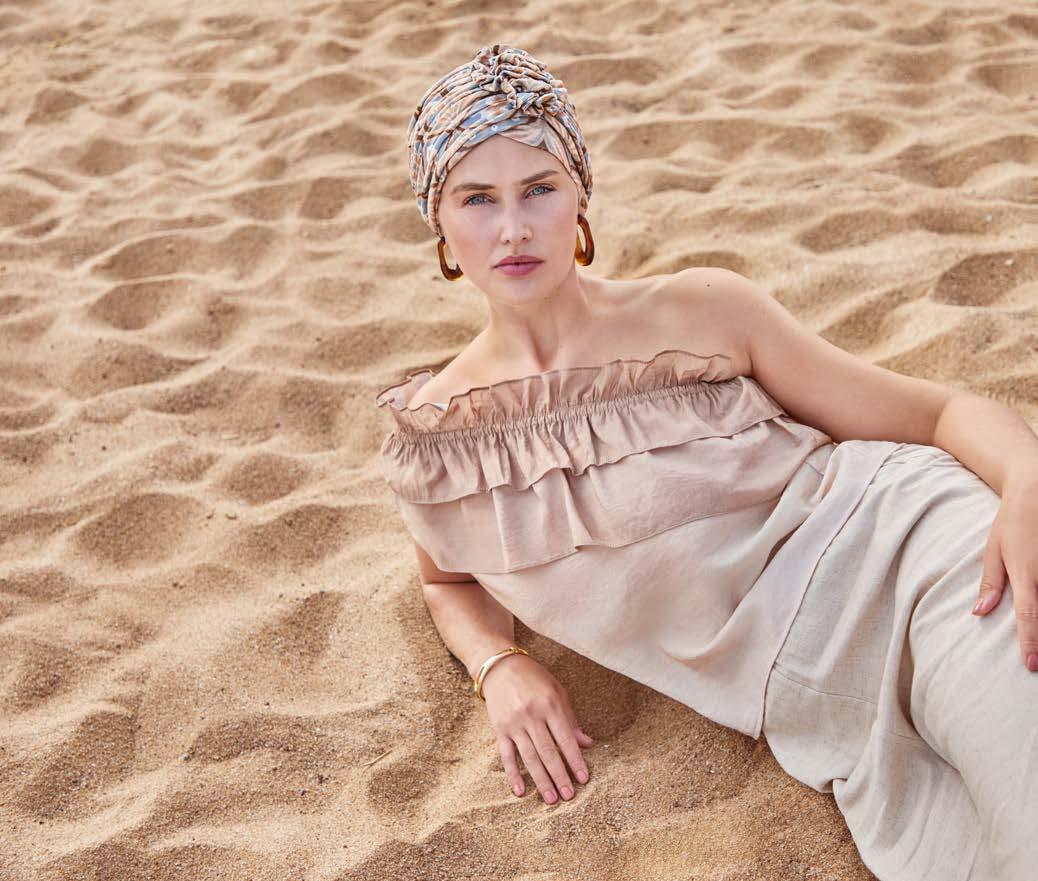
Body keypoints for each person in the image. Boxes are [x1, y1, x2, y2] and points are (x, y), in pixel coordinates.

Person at [374, 43, 1038, 881]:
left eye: (539, 188)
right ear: (438, 221)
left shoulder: (703, 309)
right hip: (818, 710)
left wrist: (1026, 479)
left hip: (918, 560)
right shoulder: (438, 443)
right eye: (478, 198)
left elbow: (938, 413)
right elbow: (446, 581)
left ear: (580, 194)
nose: (514, 227)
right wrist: (498, 664)